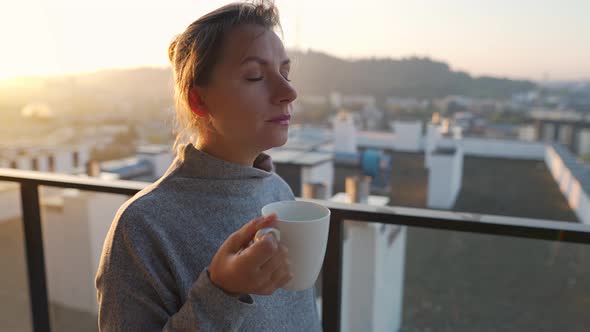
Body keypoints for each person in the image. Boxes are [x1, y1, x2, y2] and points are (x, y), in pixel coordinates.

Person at [95, 1, 322, 330]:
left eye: (285, 73)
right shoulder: (142, 228)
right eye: (255, 76)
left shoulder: (277, 190)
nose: (289, 91)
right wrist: (222, 293)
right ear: (198, 100)